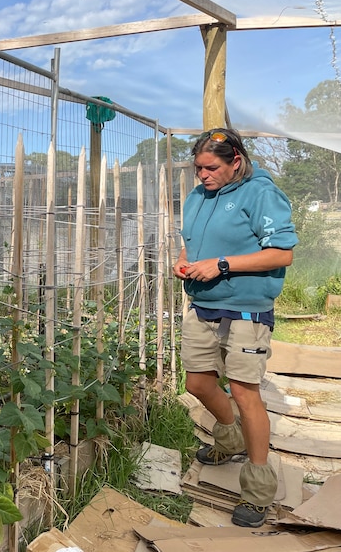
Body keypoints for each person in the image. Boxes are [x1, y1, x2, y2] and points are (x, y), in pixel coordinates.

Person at [174, 127, 298, 528]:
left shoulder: (261, 193)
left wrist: (222, 264)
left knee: (245, 393)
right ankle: (230, 439)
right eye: (198, 169)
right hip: (203, 304)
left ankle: (258, 490)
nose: (203, 176)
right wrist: (185, 260)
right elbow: (191, 241)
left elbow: (282, 253)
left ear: (236, 162)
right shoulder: (198, 196)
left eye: (211, 168)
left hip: (245, 309)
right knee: (197, 384)